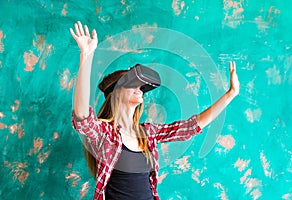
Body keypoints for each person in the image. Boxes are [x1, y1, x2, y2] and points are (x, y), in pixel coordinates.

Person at [70, 21, 240, 200]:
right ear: (115, 93)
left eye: (141, 86)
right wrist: (86, 57)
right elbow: (82, 117)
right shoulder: (105, 133)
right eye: (132, 83)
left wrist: (230, 94)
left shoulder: (148, 133)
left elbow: (191, 127)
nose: (139, 88)